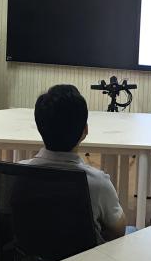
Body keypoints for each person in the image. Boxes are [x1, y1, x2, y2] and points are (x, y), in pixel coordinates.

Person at [20, 84, 126, 243]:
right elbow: (118, 231)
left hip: (30, 257)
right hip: (86, 259)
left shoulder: (15, 174)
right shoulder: (98, 183)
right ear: (85, 130)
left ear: (39, 126)